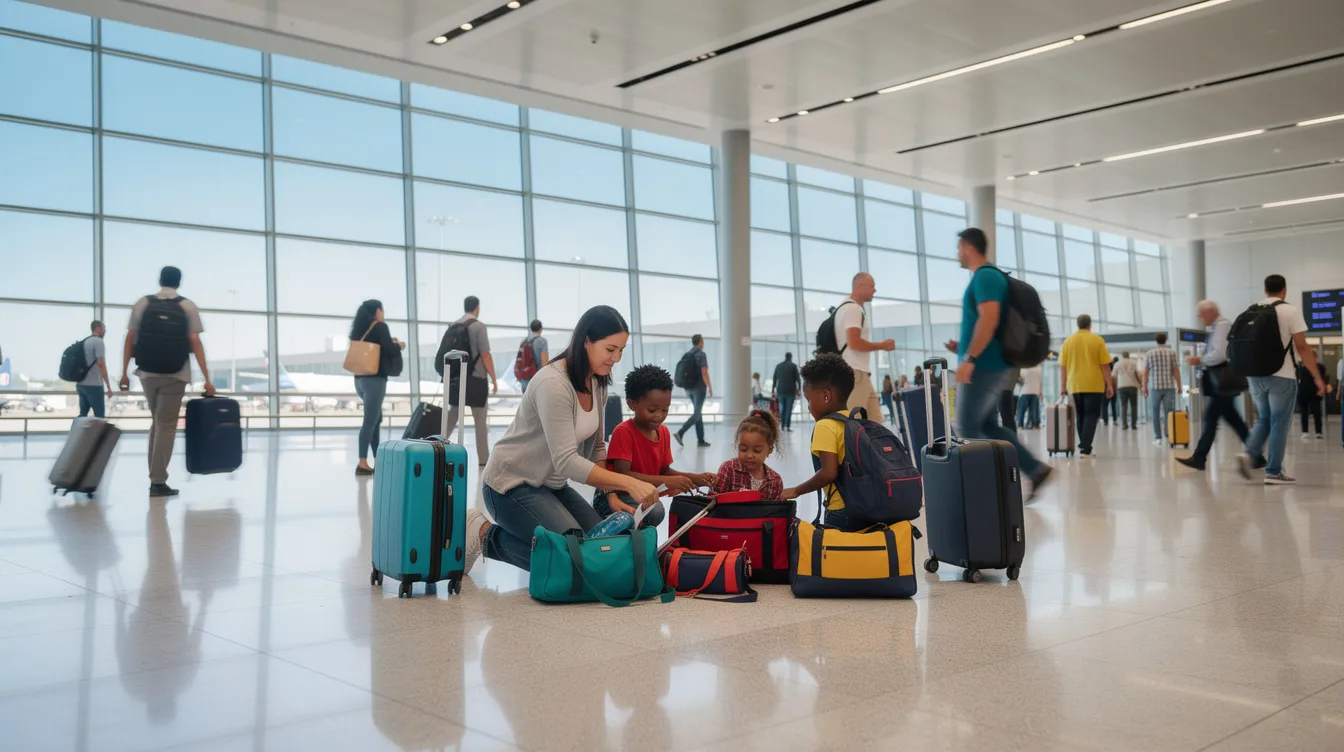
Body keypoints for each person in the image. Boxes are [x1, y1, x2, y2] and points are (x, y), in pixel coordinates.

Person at [465, 306, 660, 574]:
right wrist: (630, 482)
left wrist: (611, 494)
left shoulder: (597, 382)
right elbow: (567, 460)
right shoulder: (553, 383)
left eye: (621, 350)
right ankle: (483, 534)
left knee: (596, 553)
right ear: (586, 342)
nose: (616, 358)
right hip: (510, 486)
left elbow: (597, 448)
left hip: (551, 486)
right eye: (610, 349)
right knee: (573, 562)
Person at [942, 228, 1052, 497]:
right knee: (988, 426)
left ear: (968, 247)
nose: (957, 253)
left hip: (984, 366)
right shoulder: (986, 277)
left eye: (959, 247)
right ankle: (1034, 470)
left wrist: (969, 358)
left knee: (967, 426)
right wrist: (963, 348)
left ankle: (985, 486)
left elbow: (989, 319)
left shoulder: (986, 277)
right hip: (987, 362)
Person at [119, 266, 214, 498]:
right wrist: (207, 378)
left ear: (160, 280)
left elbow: (131, 337)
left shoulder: (143, 303)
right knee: (165, 425)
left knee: (157, 423)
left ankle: (155, 476)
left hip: (147, 373)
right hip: (175, 373)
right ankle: (158, 481)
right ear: (179, 283)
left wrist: (123, 372)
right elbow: (195, 342)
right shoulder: (187, 306)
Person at [597, 364, 716, 527]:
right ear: (632, 404)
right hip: (620, 494)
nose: (659, 416)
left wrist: (693, 478)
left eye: (665, 410)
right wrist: (668, 481)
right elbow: (623, 475)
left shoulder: (664, 432)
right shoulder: (624, 432)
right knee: (656, 510)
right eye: (652, 410)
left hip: (642, 494)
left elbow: (663, 471)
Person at [1237, 275, 1326, 485]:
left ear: (1265, 290)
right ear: (1284, 290)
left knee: (1264, 419)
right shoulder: (1290, 310)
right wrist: (1317, 377)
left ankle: (1248, 452)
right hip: (1282, 375)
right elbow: (1302, 347)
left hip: (1255, 376)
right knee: (1279, 422)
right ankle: (1274, 471)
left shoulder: (1251, 310)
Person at [780, 354, 860, 530]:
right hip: (863, 506)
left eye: (809, 399)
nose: (808, 407)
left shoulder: (825, 425)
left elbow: (829, 472)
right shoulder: (856, 420)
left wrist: (796, 491)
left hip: (840, 510)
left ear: (826, 396)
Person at [349, 300, 404, 476]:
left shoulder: (359, 330)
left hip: (359, 379)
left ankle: (375, 458)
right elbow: (391, 351)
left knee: (375, 419)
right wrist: (399, 345)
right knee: (370, 421)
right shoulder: (380, 327)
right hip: (375, 380)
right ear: (378, 310)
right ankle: (362, 462)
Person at [834, 272, 895, 419]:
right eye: (872, 285)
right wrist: (882, 345)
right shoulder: (853, 309)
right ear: (860, 286)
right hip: (855, 373)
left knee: (875, 423)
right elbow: (854, 342)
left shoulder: (845, 307)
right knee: (853, 423)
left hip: (859, 374)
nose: (875, 290)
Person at [444, 296, 496, 466]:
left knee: (452, 416)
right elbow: (485, 354)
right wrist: (494, 379)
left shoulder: (454, 325)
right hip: (476, 379)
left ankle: (435, 447)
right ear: (477, 308)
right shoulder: (479, 326)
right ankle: (483, 460)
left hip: (458, 378)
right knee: (480, 421)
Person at [1059, 314, 1114, 458]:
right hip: (1094, 384)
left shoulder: (1068, 341)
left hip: (1074, 384)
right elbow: (1105, 366)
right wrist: (1109, 385)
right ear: (1090, 325)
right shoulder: (1097, 340)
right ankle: (1085, 448)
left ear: (1077, 325)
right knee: (1091, 415)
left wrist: (1063, 386)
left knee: (1081, 415)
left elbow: (1063, 367)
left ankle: (1085, 447)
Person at [711, 409, 785, 498]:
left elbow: (776, 510)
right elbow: (711, 502)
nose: (749, 455)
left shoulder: (775, 481)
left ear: (770, 450)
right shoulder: (728, 470)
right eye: (743, 449)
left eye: (757, 450)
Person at [1143, 331, 1183, 447]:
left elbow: (1145, 372)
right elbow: (1176, 370)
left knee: (1155, 413)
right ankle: (1169, 435)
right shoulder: (1172, 353)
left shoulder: (1149, 353)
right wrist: (1179, 385)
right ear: (1165, 340)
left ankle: (1158, 438)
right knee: (1169, 412)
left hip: (1155, 387)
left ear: (1156, 341)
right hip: (1169, 387)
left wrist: (1144, 387)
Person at [674, 334, 713, 448]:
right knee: (697, 414)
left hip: (688, 389)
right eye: (703, 340)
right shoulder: (701, 354)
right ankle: (680, 433)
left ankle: (701, 440)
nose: (703, 343)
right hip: (699, 389)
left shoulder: (688, 354)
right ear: (700, 342)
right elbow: (704, 373)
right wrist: (710, 387)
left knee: (698, 413)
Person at [77, 320, 112, 419]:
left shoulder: (85, 341)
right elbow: (101, 364)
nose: (105, 331)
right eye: (104, 329)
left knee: (82, 415)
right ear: (98, 329)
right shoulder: (98, 341)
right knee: (99, 417)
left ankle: (78, 434)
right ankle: (98, 435)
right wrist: (108, 386)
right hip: (94, 385)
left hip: (81, 384)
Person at [771, 352, 801, 432]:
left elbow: (774, 379)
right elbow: (798, 379)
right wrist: (799, 389)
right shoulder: (793, 366)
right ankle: (787, 427)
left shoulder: (779, 366)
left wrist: (772, 390)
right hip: (791, 391)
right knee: (788, 409)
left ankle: (782, 426)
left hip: (780, 391)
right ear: (791, 357)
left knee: (782, 409)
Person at [1297, 361, 1328, 440]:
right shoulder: (1320, 367)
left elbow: (1298, 380)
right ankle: (1318, 432)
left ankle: (1305, 432)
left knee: (1304, 412)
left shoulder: (1300, 368)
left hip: (1304, 391)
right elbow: (1323, 378)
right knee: (1316, 412)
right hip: (1314, 392)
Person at [516, 319, 548, 394]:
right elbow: (544, 362)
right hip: (537, 379)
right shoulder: (542, 341)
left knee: (526, 404)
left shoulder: (524, 341)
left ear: (530, 329)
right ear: (541, 329)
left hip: (524, 379)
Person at [1115, 352, 1140, 430]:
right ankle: (1133, 424)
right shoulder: (1133, 362)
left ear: (1122, 356)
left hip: (1122, 386)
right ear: (1128, 355)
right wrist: (1140, 383)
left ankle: (1124, 425)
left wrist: (1115, 385)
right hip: (1133, 386)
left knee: (1124, 405)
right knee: (1134, 406)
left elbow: (1114, 375)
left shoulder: (1118, 363)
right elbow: (1137, 374)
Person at [1017, 365, 1043, 429]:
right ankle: (1034, 425)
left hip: (1025, 391)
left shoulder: (1023, 368)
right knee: (1033, 410)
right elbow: (1040, 382)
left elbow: (1019, 380)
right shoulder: (1038, 368)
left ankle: (1020, 425)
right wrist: (1040, 392)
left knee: (1021, 410)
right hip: (1035, 391)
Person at [1102, 357, 1120, 426]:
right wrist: (1115, 390)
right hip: (1113, 391)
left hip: (1104, 391)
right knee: (1113, 406)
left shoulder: (1104, 374)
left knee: (1105, 406)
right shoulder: (1113, 373)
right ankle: (1114, 420)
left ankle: (1105, 421)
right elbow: (1115, 383)